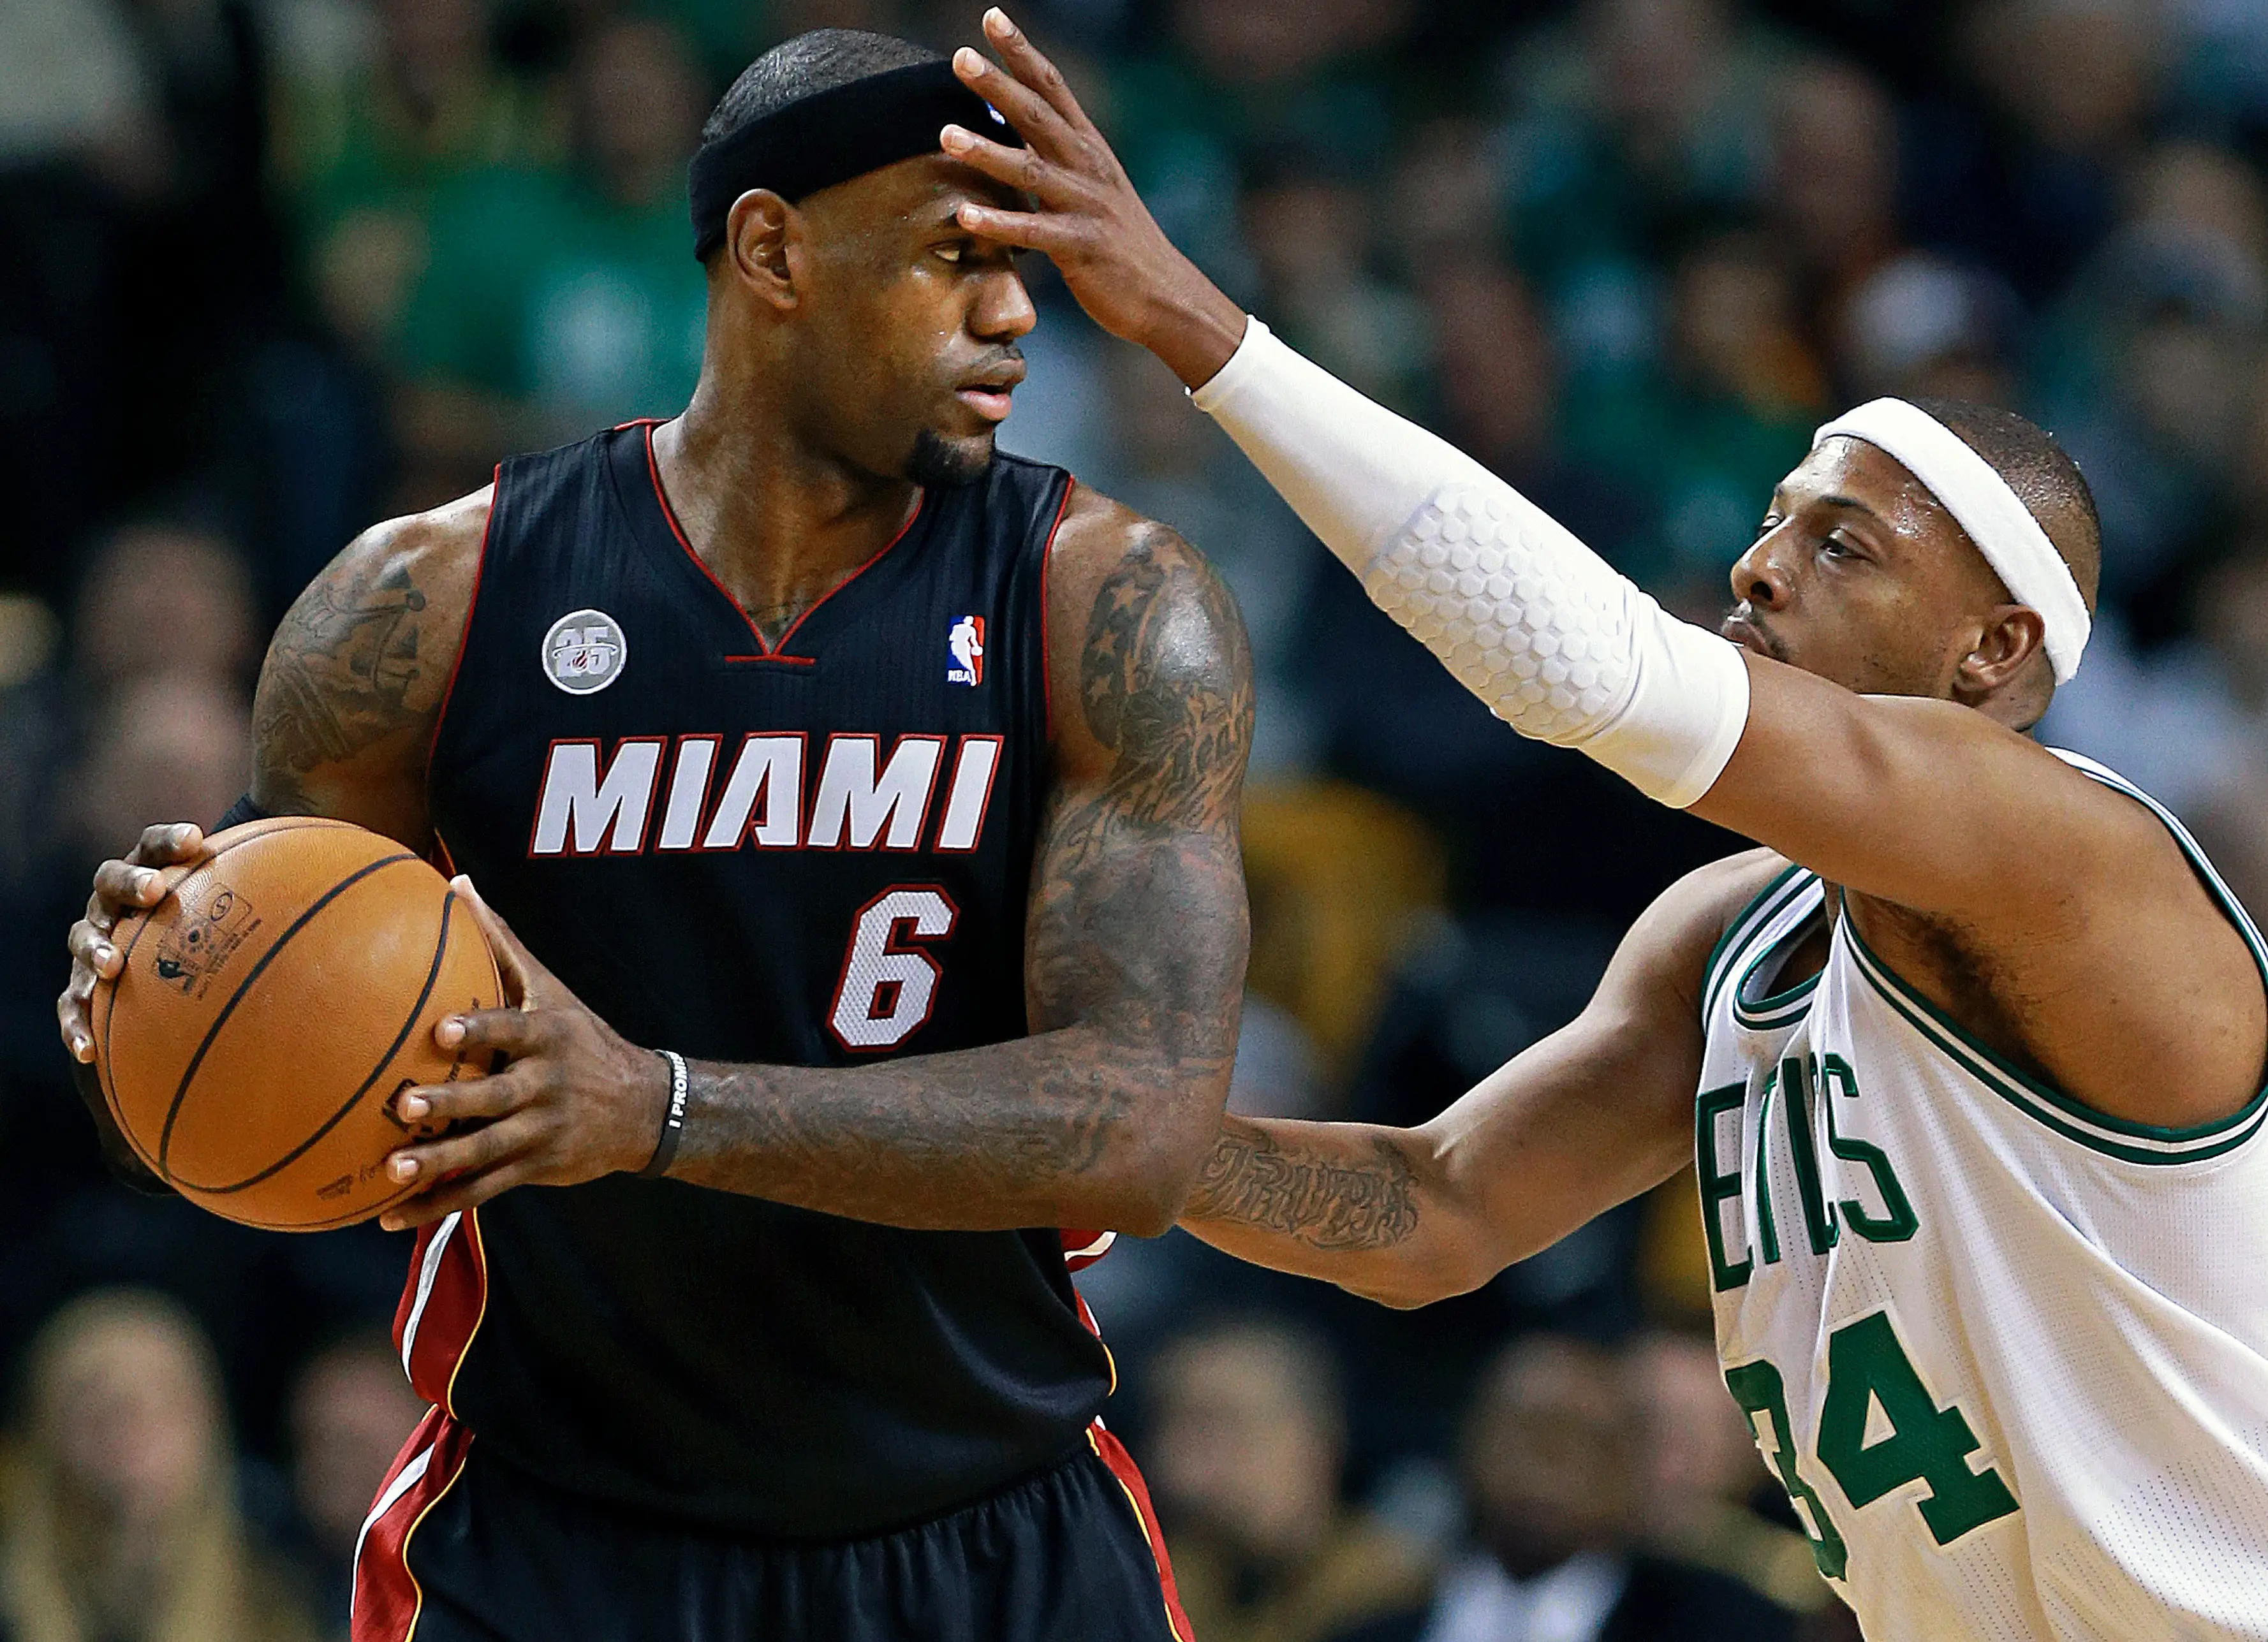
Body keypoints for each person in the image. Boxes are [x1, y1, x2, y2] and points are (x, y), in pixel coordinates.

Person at [938, 11, 2268, 1638]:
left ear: (1994, 653)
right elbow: (1435, 1208)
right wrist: (1108, 1127)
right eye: (1772, 521)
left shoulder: (2070, 851)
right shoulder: (1730, 938)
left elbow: (1590, 669)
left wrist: (1197, 329)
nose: (1758, 567)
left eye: (1843, 546)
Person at [56, 27, 1253, 1642]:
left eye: (1022, 266)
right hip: (557, 1540)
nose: (1015, 314)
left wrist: (661, 1109)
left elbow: (1143, 1128)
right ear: (773, 251)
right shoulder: (423, 605)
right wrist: (140, 1011)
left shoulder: (1107, 604)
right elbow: (244, 1104)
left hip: (987, 1525)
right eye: (955, 256)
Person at [1364, 1335, 1795, 1642]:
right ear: (1469, 1443)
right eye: (1528, 1436)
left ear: (1632, 1467)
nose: (1547, 1470)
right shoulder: (1367, 1622)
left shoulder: (1730, 1626)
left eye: (1584, 1443)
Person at [0, 1289, 320, 1642]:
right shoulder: (10, 1610)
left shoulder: (285, 1608)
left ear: (210, 1423)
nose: (130, 1419)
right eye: (93, 1397)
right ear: (44, 1431)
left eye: (163, 1392)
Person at [1145, 1319, 1434, 1642]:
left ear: (1314, 1444)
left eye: (1217, 1430)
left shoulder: (1397, 1598)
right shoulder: (1152, 1584)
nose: (1177, 1465)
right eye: (1169, 1429)